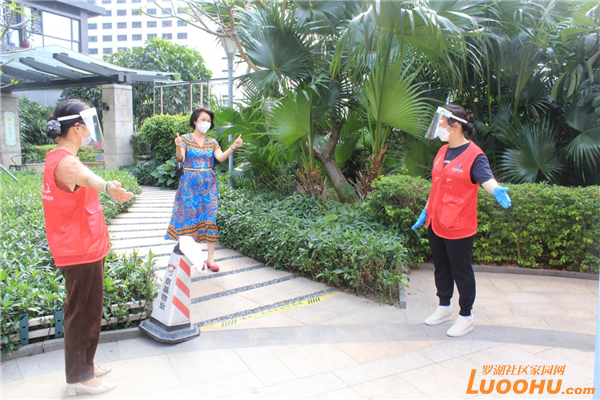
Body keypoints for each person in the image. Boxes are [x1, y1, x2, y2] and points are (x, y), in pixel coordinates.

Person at [42, 99, 133, 396]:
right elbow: (86, 177)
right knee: (82, 314)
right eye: (89, 125)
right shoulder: (66, 161)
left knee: (87, 311)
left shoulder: (57, 156)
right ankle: (80, 378)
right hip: (79, 249)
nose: (91, 131)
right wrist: (107, 186)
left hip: (82, 246)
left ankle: (86, 365)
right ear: (77, 128)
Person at [411, 104, 512, 337]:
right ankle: (444, 307)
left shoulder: (474, 155)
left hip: (458, 225)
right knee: (441, 266)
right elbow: (436, 186)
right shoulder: (442, 151)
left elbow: (486, 178)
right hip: (436, 221)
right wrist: (426, 211)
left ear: (455, 125)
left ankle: (466, 316)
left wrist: (496, 189)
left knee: (461, 271)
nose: (439, 128)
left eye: (441, 123)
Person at [165, 107, 243, 272]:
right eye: (203, 120)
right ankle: (189, 256)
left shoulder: (212, 142)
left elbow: (220, 157)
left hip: (208, 185)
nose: (206, 123)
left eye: (208, 121)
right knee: (189, 218)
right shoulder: (185, 139)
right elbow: (181, 158)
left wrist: (233, 147)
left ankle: (211, 258)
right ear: (195, 121)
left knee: (210, 218)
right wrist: (178, 146)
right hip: (189, 185)